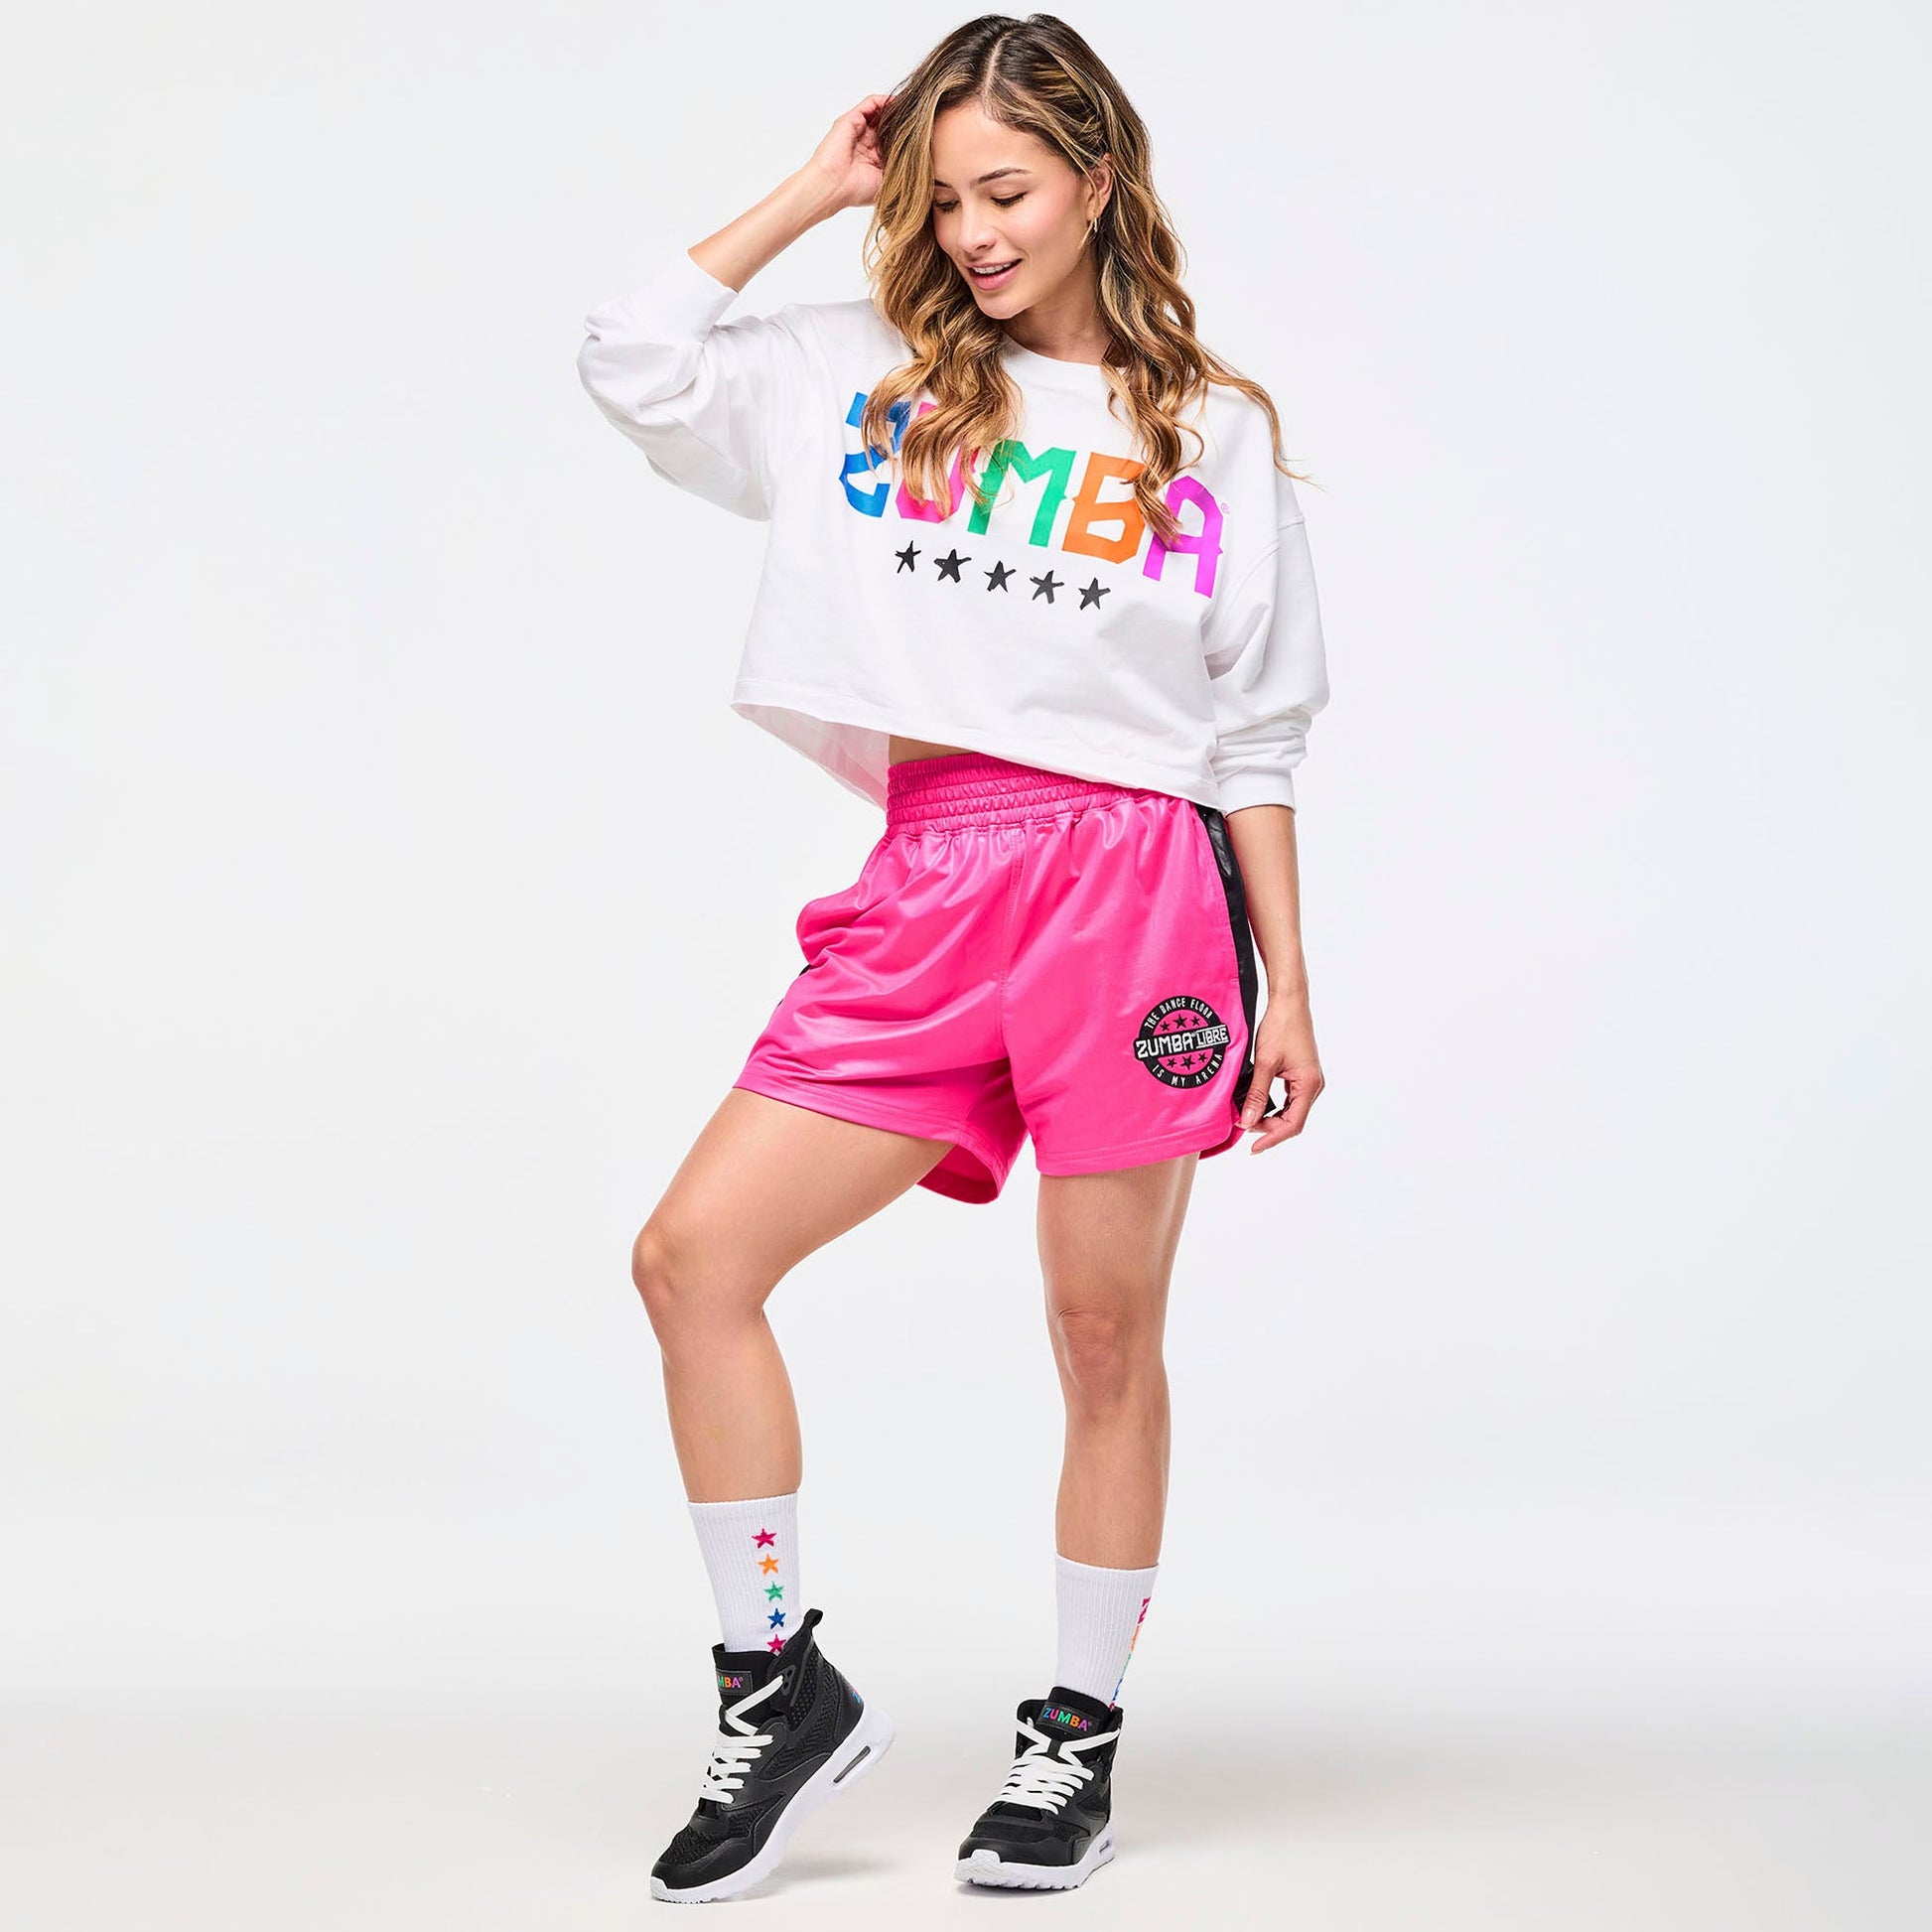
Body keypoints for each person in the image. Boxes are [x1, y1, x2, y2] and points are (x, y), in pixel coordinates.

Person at [575, 13, 1329, 1904]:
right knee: (692, 1259)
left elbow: (1253, 732)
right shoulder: (858, 373)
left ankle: (1071, 1739)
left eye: (1006, 191)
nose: (973, 232)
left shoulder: (1209, 430)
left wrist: (1290, 987)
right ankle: (777, 1685)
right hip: (934, 872)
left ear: (1095, 178)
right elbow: (632, 357)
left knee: (1101, 1329)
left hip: (1138, 889)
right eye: (938, 198)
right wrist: (812, 190)